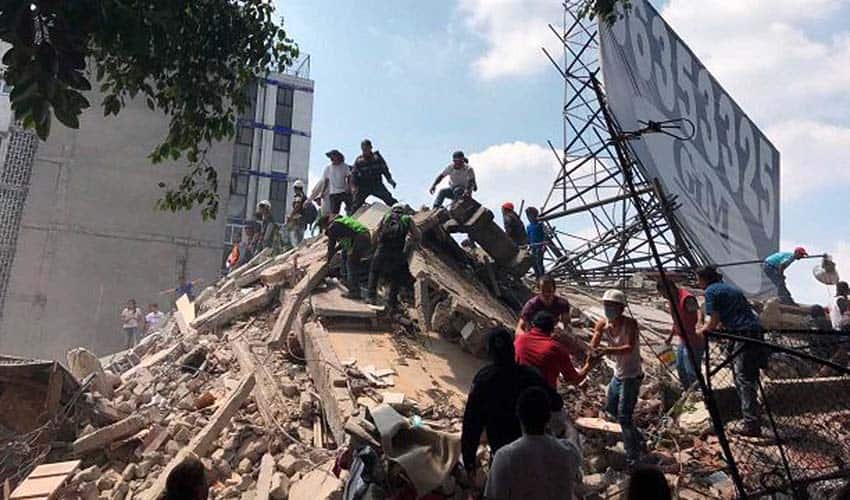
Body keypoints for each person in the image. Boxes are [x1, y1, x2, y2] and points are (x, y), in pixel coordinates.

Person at [461, 328, 564, 476]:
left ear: (490, 353)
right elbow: (557, 403)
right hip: (534, 451)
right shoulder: (531, 375)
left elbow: (472, 423)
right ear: (513, 349)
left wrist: (469, 461)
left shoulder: (483, 379)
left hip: (500, 453)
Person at [695, 265, 766, 437]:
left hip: (742, 335)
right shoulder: (731, 289)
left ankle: (751, 424)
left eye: (699, 279)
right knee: (749, 375)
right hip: (755, 332)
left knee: (743, 378)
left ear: (704, 279)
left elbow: (713, 321)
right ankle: (753, 414)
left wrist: (701, 330)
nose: (698, 283)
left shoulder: (711, 291)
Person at [483, 387, 581, 500]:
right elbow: (573, 439)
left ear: (519, 416)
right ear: (549, 417)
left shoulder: (505, 457)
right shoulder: (567, 452)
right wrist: (567, 425)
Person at [589, 289, 645, 467]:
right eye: (606, 306)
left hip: (631, 375)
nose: (608, 310)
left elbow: (629, 347)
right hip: (619, 374)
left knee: (624, 417)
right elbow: (594, 345)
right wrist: (592, 352)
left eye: (611, 307)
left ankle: (633, 458)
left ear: (621, 308)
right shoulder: (603, 324)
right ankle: (639, 439)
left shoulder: (630, 324)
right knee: (611, 408)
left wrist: (606, 351)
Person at [515, 310, 593, 390]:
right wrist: (589, 365)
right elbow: (574, 380)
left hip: (516, 392)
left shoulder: (520, 340)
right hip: (542, 395)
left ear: (533, 324)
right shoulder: (556, 349)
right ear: (553, 328)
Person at [516, 275, 587, 358]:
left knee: (571, 341)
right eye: (543, 291)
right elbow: (520, 328)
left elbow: (567, 326)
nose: (547, 294)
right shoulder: (531, 305)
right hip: (534, 334)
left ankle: (586, 356)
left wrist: (568, 339)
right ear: (538, 290)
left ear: (554, 290)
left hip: (552, 332)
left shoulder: (562, 303)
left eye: (549, 290)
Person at [366, 203, 421, 309]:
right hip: (397, 251)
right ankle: (391, 302)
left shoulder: (386, 216)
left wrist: (372, 246)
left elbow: (376, 231)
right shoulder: (407, 219)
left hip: (382, 248)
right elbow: (417, 235)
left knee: (374, 271)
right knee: (396, 277)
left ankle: (370, 297)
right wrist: (413, 242)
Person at [658, 279, 705, 390]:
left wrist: (699, 322)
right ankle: (688, 390)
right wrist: (670, 336)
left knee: (691, 370)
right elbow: (677, 320)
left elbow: (698, 311)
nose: (663, 296)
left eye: (664, 293)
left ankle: (699, 393)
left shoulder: (686, 298)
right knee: (680, 368)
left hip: (694, 341)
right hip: (683, 340)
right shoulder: (672, 300)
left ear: (670, 289)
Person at [319, 214, 372, 298]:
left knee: (351, 263)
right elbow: (343, 240)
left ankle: (354, 291)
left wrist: (328, 262)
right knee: (344, 254)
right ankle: (345, 279)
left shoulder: (333, 227)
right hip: (364, 236)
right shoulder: (340, 222)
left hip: (359, 238)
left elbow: (331, 246)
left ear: (324, 225)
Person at [350, 139, 397, 212]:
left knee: (389, 199)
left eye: (367, 148)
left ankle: (401, 212)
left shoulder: (377, 158)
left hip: (376, 184)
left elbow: (384, 169)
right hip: (364, 186)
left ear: (371, 148)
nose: (365, 150)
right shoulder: (359, 160)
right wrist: (353, 186)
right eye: (363, 149)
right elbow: (353, 175)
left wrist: (389, 179)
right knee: (356, 205)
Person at [317, 149, 353, 216]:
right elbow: (326, 181)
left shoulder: (344, 166)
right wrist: (322, 192)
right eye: (331, 158)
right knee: (334, 212)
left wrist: (349, 186)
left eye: (333, 157)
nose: (332, 159)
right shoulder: (328, 168)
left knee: (351, 208)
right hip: (334, 193)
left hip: (344, 191)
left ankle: (350, 218)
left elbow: (349, 177)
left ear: (338, 157)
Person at [526, 206, 546, 279]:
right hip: (533, 246)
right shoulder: (528, 227)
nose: (529, 218)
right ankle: (538, 278)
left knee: (539, 262)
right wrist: (528, 246)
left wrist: (544, 245)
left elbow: (545, 235)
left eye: (530, 216)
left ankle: (542, 278)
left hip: (540, 246)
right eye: (528, 216)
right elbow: (528, 237)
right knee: (533, 263)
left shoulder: (540, 225)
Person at [286, 180, 308, 247]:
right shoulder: (304, 196)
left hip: (298, 220)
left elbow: (297, 207)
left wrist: (291, 216)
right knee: (299, 238)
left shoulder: (298, 196)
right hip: (303, 219)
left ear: (296, 188)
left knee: (296, 239)